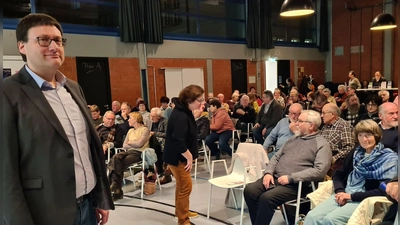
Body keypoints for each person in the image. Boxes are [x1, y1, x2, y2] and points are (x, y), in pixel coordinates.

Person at [3, 13, 113, 225]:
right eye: (44, 40)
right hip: (44, 214)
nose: (54, 46)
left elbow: (87, 148)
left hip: (88, 206)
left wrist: (99, 196)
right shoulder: (7, 93)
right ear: (22, 46)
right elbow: (5, 175)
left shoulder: (73, 88)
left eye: (59, 40)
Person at [244, 110, 332, 225]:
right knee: (250, 190)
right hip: (275, 178)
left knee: (266, 198)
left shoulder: (322, 144)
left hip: (297, 185)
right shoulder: (293, 139)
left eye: (300, 121)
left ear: (311, 125)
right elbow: (276, 157)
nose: (296, 124)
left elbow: (319, 171)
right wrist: (268, 173)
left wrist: (291, 177)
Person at [303, 119, 398, 225]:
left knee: (331, 219)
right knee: (312, 216)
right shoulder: (356, 153)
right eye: (360, 135)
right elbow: (338, 174)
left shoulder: (389, 158)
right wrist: (340, 191)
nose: (364, 139)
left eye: (368, 135)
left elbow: (384, 189)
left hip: (363, 199)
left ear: (376, 135)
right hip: (344, 193)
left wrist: (351, 196)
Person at [163, 85, 205, 225]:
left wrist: (197, 113)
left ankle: (181, 212)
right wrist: (189, 157)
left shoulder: (183, 110)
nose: (202, 103)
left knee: (181, 186)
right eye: (200, 100)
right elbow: (178, 141)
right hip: (178, 158)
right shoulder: (181, 116)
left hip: (176, 157)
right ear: (189, 100)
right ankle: (183, 220)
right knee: (186, 187)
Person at [108, 112, 150, 201]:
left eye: (130, 118)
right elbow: (124, 145)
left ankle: (116, 190)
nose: (128, 120)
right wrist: (132, 144)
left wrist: (130, 143)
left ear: (135, 119)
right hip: (129, 152)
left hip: (139, 153)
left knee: (118, 164)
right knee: (115, 158)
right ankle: (116, 187)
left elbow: (140, 144)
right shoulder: (130, 131)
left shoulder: (145, 130)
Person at [320, 103, 355, 177]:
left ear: (332, 114)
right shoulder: (324, 127)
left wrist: (334, 159)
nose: (321, 116)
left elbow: (349, 148)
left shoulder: (344, 126)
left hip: (338, 160)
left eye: (323, 113)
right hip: (323, 158)